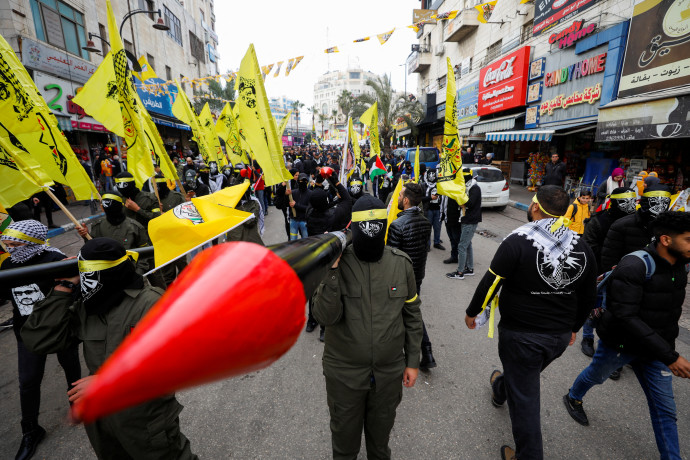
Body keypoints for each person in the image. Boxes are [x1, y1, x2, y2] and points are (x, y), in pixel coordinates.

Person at [21, 238, 198, 459]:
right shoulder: (89, 307)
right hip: (102, 419)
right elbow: (39, 339)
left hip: (144, 420)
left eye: (92, 274)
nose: (87, 283)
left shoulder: (149, 304)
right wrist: (63, 288)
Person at [464, 185, 597, 460]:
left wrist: (472, 312)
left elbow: (492, 282)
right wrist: (574, 328)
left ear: (534, 207)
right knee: (522, 378)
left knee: (525, 400)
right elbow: (588, 296)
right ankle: (501, 388)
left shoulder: (517, 240)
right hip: (557, 338)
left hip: (521, 337)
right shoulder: (581, 246)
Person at [563, 212, 690, 460]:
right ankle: (573, 397)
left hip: (656, 350)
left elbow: (667, 313)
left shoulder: (680, 265)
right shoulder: (634, 265)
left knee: (665, 411)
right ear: (665, 239)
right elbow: (626, 316)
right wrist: (671, 356)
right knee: (595, 375)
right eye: (688, 239)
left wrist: (665, 350)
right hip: (621, 344)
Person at [313, 195, 423, 460]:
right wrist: (332, 270)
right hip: (344, 376)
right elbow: (324, 317)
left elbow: (412, 316)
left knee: (379, 443)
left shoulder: (400, 264)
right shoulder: (335, 263)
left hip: (387, 375)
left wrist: (413, 361)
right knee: (344, 444)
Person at [0, 220, 82, 460]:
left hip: (60, 328)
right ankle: (31, 430)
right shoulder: (8, 264)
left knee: (71, 369)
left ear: (31, 242)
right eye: (7, 243)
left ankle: (78, 405)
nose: (10, 247)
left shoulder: (55, 261)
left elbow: (74, 292)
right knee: (28, 381)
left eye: (15, 243)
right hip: (27, 332)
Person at [579, 187, 636, 357]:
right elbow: (587, 245)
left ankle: (611, 344)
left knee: (618, 311)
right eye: (626, 202)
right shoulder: (598, 221)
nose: (631, 205)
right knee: (594, 306)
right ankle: (587, 337)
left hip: (627, 275)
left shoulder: (635, 222)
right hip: (600, 273)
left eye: (633, 201)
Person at [387, 182, 438, 370]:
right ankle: (428, 353)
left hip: (400, 280)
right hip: (417, 277)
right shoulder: (425, 222)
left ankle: (406, 356)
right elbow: (425, 249)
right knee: (413, 313)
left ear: (406, 200)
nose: (398, 198)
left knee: (400, 315)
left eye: (400, 196)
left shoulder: (397, 225)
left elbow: (392, 259)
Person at [305, 174, 352, 340]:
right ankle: (324, 327)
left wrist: (332, 199)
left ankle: (311, 320)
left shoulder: (309, 212)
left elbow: (316, 201)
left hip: (313, 256)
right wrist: (334, 180)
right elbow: (347, 199)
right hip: (330, 258)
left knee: (313, 290)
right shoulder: (333, 215)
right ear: (326, 202)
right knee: (326, 288)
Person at [601, 184, 672, 272]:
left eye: (665, 201)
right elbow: (609, 257)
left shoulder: (672, 227)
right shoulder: (621, 224)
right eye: (655, 201)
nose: (660, 206)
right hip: (629, 276)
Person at [447, 168, 481, 279]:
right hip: (466, 219)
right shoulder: (468, 187)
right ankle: (469, 269)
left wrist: (460, 201)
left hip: (470, 220)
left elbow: (470, 203)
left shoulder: (474, 188)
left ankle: (460, 272)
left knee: (461, 246)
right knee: (467, 244)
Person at [424, 169, 444, 251]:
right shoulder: (424, 185)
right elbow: (420, 198)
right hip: (428, 210)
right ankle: (427, 245)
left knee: (437, 227)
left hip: (438, 210)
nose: (432, 177)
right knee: (428, 228)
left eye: (433, 175)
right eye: (430, 175)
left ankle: (437, 242)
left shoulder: (439, 185)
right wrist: (430, 198)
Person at [288, 173, 311, 240]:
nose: (303, 183)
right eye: (301, 181)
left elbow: (309, 208)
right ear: (298, 181)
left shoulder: (310, 194)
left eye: (305, 181)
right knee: (293, 241)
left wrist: (296, 205)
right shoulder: (293, 193)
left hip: (304, 221)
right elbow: (280, 203)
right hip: (293, 220)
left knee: (306, 242)